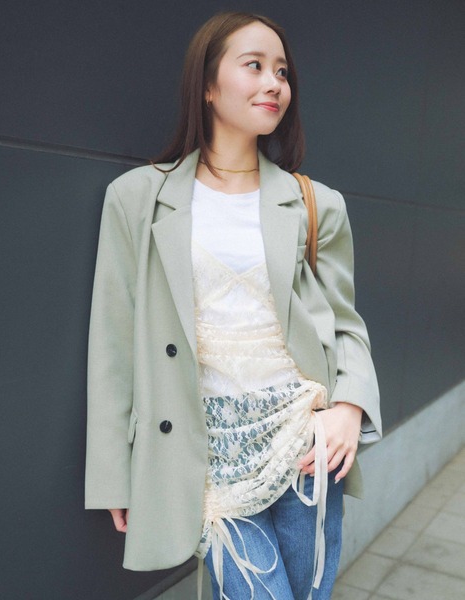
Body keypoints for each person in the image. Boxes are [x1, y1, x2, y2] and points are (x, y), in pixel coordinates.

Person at [85, 11, 382, 600]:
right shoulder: (138, 198)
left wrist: (349, 407)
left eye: (282, 72)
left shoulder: (315, 203)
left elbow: (345, 324)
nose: (275, 83)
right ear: (207, 84)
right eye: (255, 66)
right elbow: (113, 344)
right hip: (204, 455)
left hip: (305, 443)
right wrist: (114, 473)